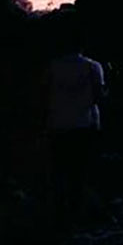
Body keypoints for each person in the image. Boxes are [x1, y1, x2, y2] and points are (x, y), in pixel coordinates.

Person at [48, 46, 107, 230]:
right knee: (80, 172)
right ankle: (77, 215)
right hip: (84, 124)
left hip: (58, 124)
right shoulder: (92, 66)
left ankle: (59, 214)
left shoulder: (52, 67)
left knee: (59, 171)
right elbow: (99, 97)